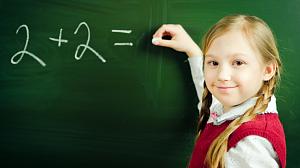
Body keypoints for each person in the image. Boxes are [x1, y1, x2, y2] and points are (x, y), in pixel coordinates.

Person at [152, 14, 286, 168]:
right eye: (213, 62)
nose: (222, 76)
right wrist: (192, 50)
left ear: (267, 70)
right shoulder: (230, 110)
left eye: (238, 62)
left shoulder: (251, 144)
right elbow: (209, 98)